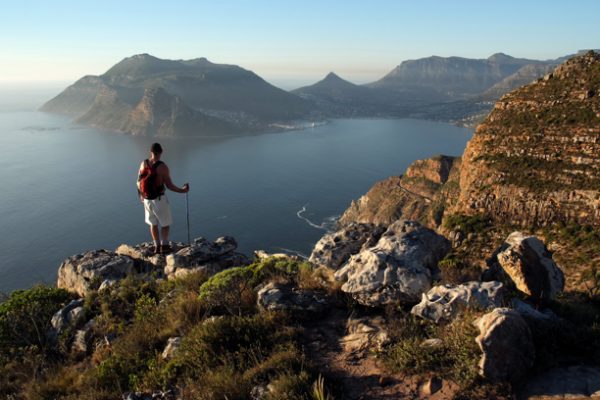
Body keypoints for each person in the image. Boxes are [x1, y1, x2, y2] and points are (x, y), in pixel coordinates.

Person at [137, 143, 189, 254]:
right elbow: (169, 186)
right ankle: (164, 245)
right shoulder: (162, 167)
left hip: (146, 200)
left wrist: (141, 195)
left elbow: (138, 182)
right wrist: (183, 190)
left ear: (151, 152)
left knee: (153, 223)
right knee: (165, 223)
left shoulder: (143, 164)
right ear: (160, 152)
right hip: (159, 200)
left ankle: (156, 245)